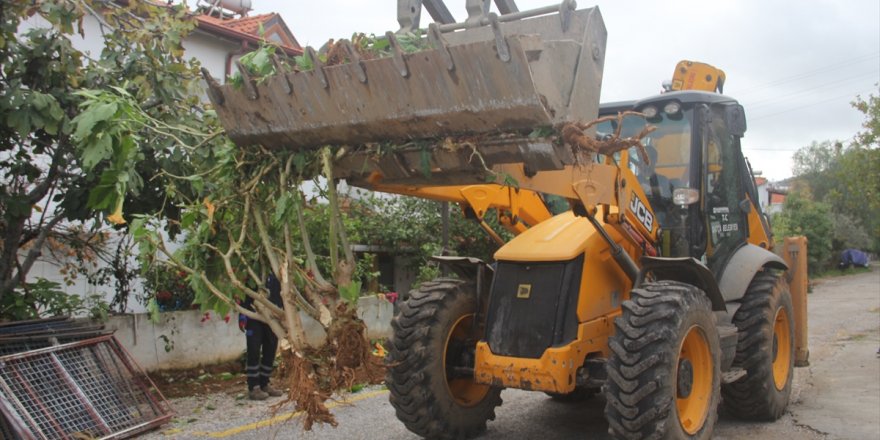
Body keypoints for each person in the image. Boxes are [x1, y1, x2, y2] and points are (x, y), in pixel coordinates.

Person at [238, 273, 285, 400]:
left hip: (272, 318)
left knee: (270, 351)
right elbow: (244, 294)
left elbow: (283, 296)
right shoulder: (253, 271)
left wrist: (284, 316)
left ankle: (264, 383)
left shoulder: (277, 273)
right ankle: (253, 387)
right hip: (254, 317)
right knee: (253, 351)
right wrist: (242, 316)